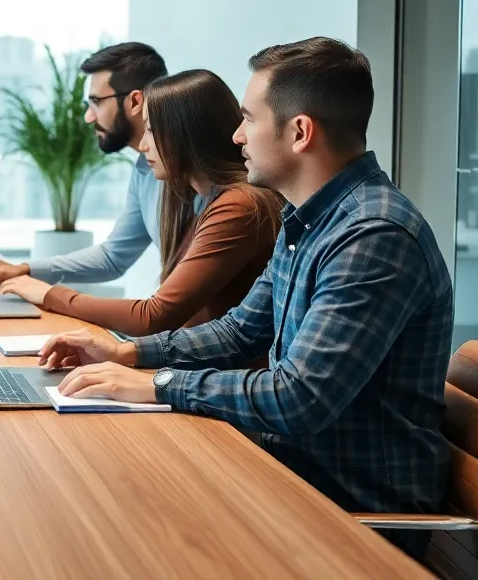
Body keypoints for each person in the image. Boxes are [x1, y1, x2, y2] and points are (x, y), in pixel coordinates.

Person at [37, 37, 453, 559]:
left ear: (300, 132)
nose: (236, 136)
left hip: (351, 515)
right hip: (289, 474)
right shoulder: (308, 219)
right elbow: (240, 330)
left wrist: (159, 383)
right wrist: (129, 353)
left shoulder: (373, 236)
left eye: (249, 120)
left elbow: (299, 398)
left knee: (114, 527)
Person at [0, 69, 282, 337]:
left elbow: (153, 316)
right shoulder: (200, 198)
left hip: (216, 369)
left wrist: (49, 295)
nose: (144, 145)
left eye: (151, 130)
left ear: (186, 134)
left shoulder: (238, 206)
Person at [0, 42, 196, 288]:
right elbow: (113, 258)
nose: (88, 117)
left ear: (136, 101)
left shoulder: (198, 176)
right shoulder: (144, 171)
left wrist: (48, 295)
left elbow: (171, 302)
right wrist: (24, 269)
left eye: (96, 102)